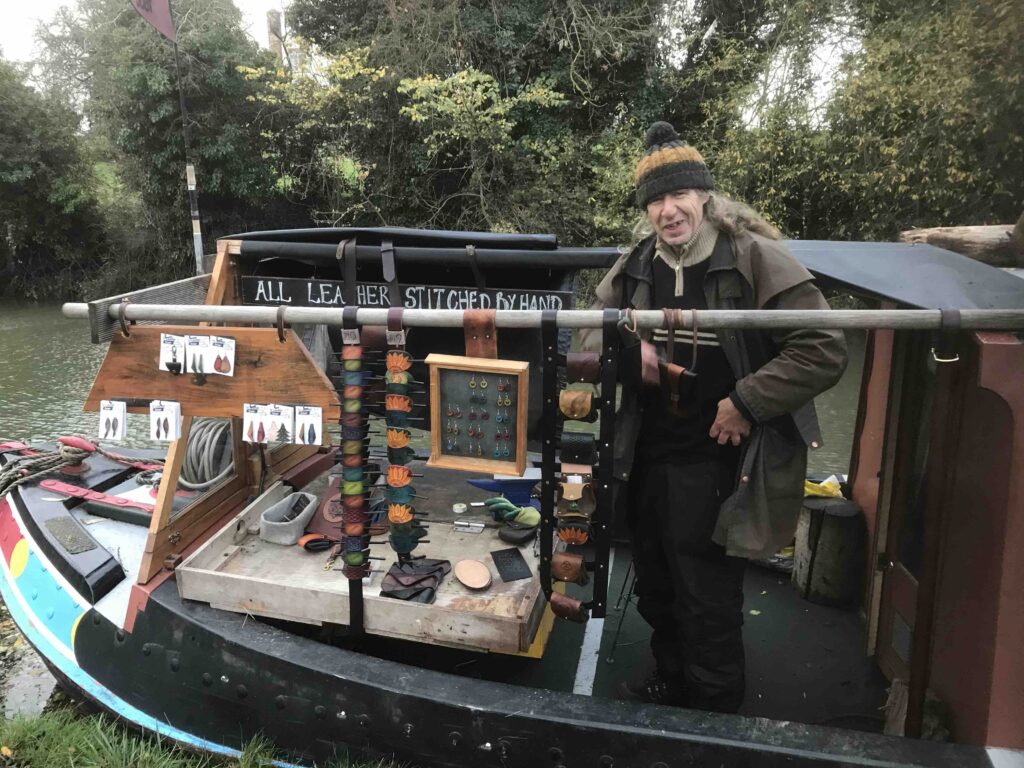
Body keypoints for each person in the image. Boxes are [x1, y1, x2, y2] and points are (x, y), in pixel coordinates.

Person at [587, 121, 847, 712]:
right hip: (647, 451)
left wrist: (746, 401)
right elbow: (589, 336)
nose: (668, 210)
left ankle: (714, 710)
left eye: (678, 194)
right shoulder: (636, 265)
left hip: (721, 458)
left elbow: (824, 347)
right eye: (655, 200)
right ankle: (672, 680)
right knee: (655, 580)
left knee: (705, 591)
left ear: (704, 195)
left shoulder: (755, 257)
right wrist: (630, 353)